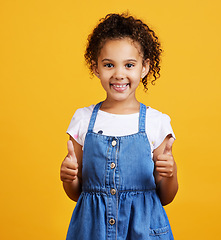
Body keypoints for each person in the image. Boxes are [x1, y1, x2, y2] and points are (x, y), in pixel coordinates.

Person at [60, 13, 178, 240]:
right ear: (96, 68)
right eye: (109, 65)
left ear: (144, 67)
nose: (119, 74)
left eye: (129, 65)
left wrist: (169, 174)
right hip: (92, 232)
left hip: (144, 232)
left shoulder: (157, 122)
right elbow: (76, 194)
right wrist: (69, 177)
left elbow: (166, 197)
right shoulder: (83, 119)